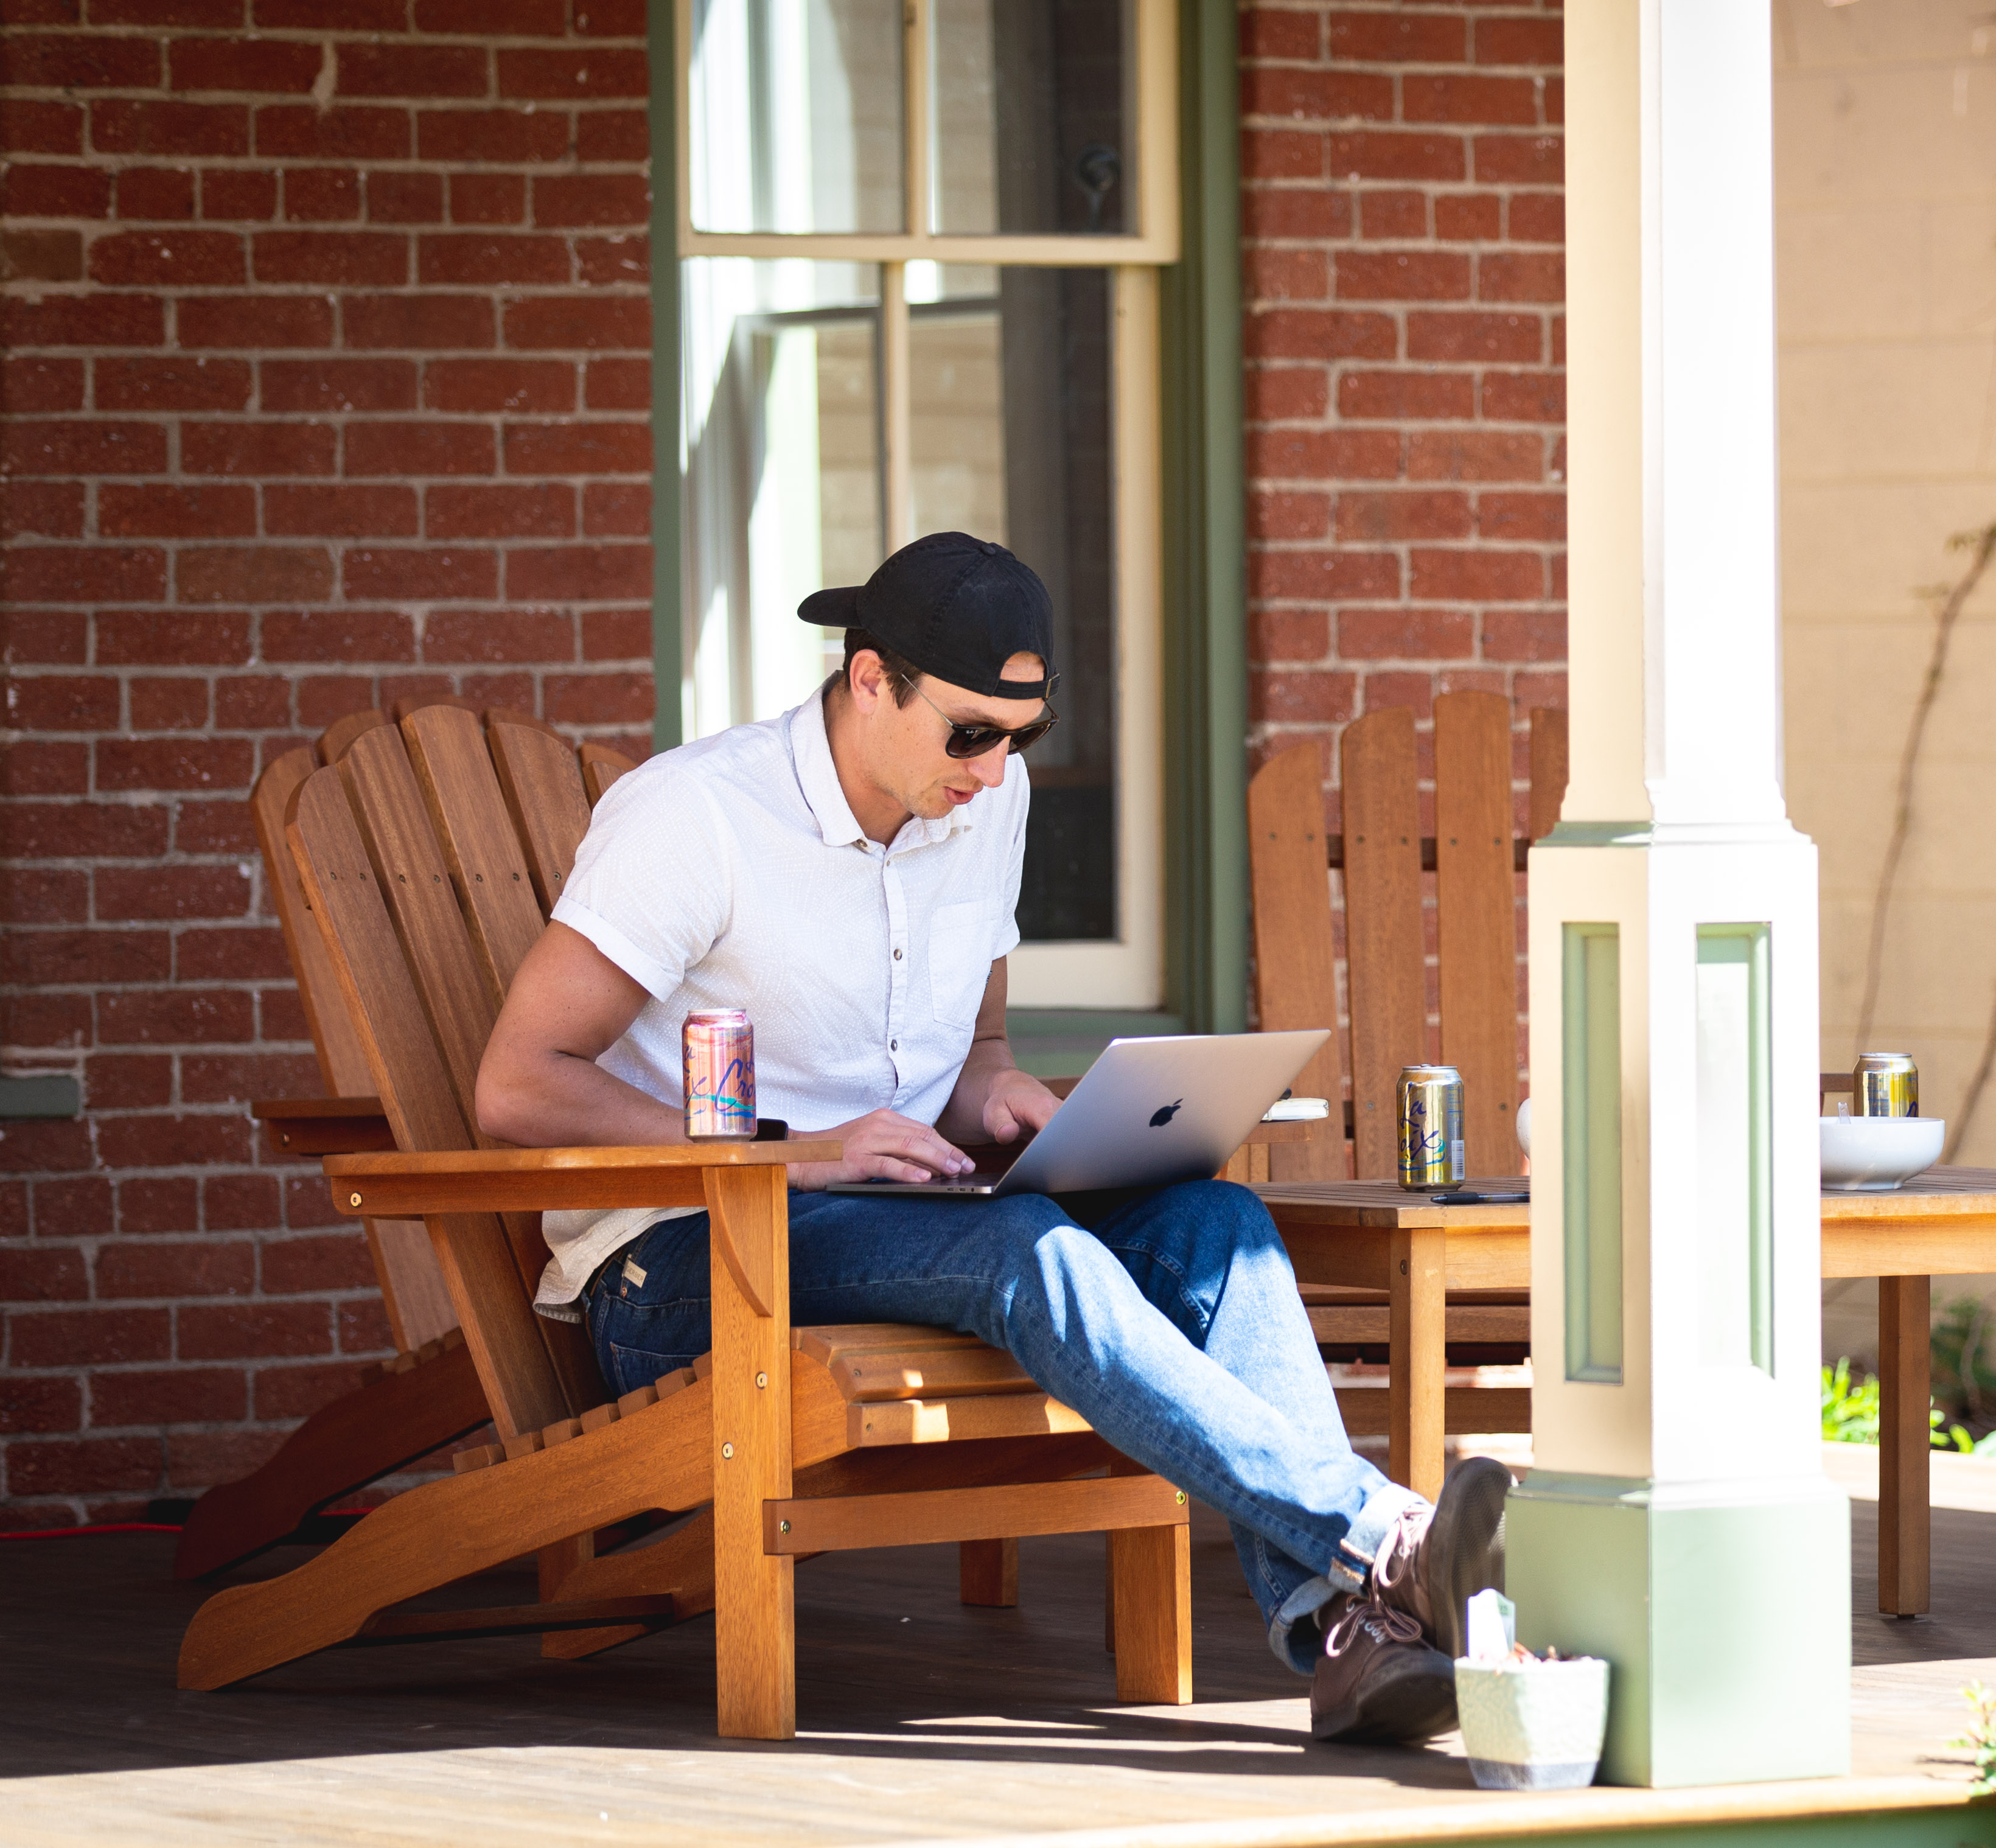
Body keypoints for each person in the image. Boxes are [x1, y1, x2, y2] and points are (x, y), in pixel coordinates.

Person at [475, 531, 1504, 1742]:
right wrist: (803, 1147)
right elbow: (517, 1088)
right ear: (870, 681)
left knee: (1215, 1226)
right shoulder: (696, 816)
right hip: (687, 1260)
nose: (996, 765)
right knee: (1026, 1244)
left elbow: (972, 1059)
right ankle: (1385, 1537)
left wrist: (1006, 1096)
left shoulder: (984, 801)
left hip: (902, 1223)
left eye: (1021, 736)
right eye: (969, 731)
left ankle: (1341, 1633)